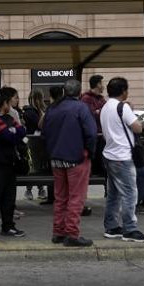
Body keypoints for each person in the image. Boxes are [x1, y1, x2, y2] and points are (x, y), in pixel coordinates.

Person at [41, 79, 96, 247]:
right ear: (79, 93)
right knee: (76, 197)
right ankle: (72, 233)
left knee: (61, 197)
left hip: (56, 159)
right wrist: (89, 152)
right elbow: (91, 133)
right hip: (76, 158)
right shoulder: (81, 108)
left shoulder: (52, 108)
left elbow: (45, 131)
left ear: (65, 92)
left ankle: (58, 231)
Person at [99, 77, 144, 243]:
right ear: (123, 91)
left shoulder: (105, 107)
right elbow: (138, 127)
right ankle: (130, 229)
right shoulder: (123, 107)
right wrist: (135, 115)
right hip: (122, 156)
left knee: (113, 194)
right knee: (130, 193)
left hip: (109, 155)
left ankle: (111, 227)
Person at [0, 87, 27, 240]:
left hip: (10, 163)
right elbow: (7, 136)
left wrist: (14, 131)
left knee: (9, 197)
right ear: (4, 103)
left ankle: (8, 226)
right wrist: (13, 131)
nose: (12, 104)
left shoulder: (8, 117)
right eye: (11, 101)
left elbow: (22, 131)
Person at [22, 90, 47, 202]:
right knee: (34, 166)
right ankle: (31, 189)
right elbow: (39, 124)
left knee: (37, 166)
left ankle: (38, 189)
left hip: (36, 141)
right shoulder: (31, 112)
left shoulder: (37, 110)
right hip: (33, 142)